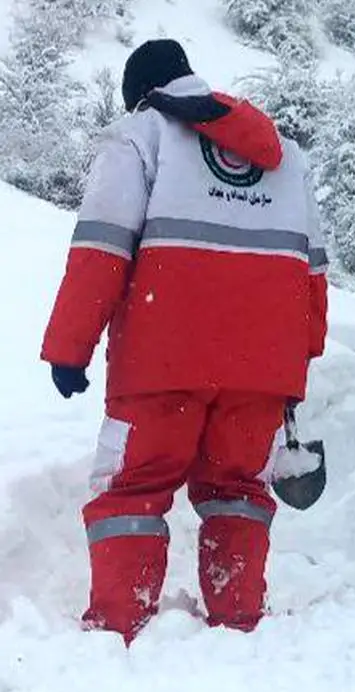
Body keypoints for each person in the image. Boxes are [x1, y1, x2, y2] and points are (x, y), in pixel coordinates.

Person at [39, 40, 328, 644]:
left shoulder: (143, 136)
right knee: (237, 489)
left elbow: (101, 248)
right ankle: (238, 617)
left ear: (142, 92)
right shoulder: (286, 157)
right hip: (263, 368)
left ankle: (119, 622)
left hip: (162, 359)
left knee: (134, 485)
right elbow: (312, 271)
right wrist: (301, 353)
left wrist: (70, 347)